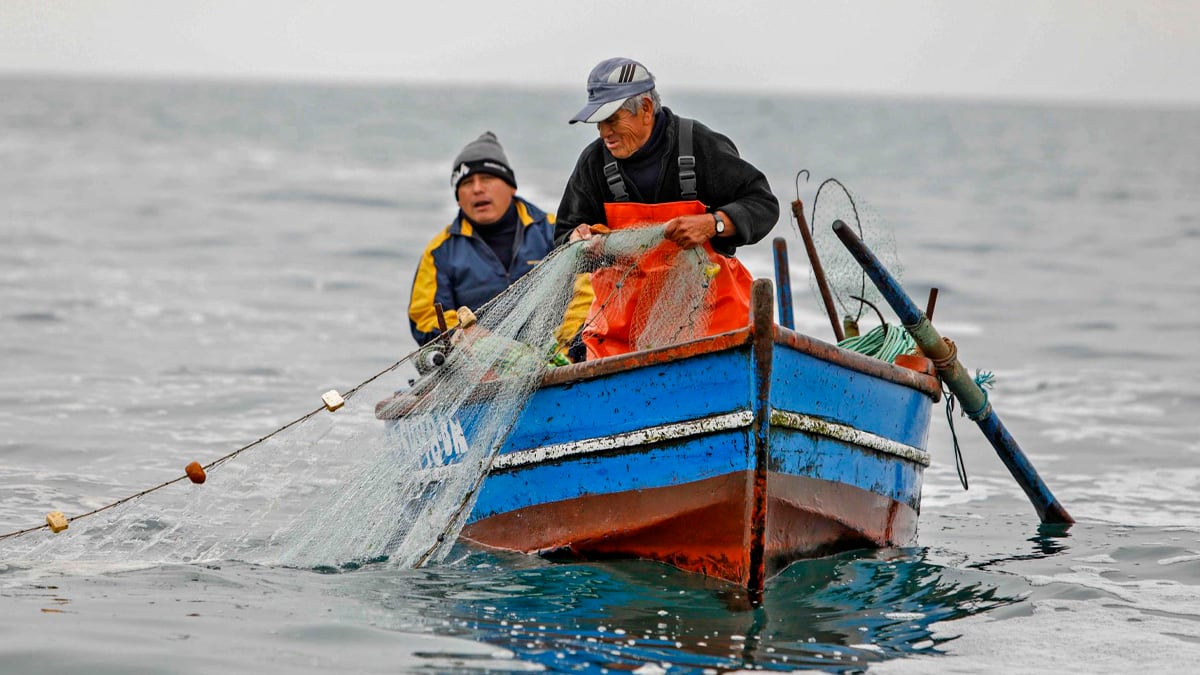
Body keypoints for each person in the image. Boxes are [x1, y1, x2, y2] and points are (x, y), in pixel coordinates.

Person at [555, 57, 780, 359]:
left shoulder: (697, 144)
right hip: (622, 340)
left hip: (715, 330)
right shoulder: (594, 163)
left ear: (646, 109)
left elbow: (762, 203)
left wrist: (714, 223)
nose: (604, 132)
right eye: (599, 121)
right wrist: (578, 241)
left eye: (612, 119)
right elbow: (563, 237)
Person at [408, 131, 562, 346]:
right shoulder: (440, 251)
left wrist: (566, 345)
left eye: (487, 178)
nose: (478, 189)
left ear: (511, 186)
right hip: (474, 366)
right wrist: (466, 335)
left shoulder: (556, 231)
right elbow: (424, 317)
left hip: (558, 356)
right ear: (458, 198)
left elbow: (586, 292)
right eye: (467, 183)